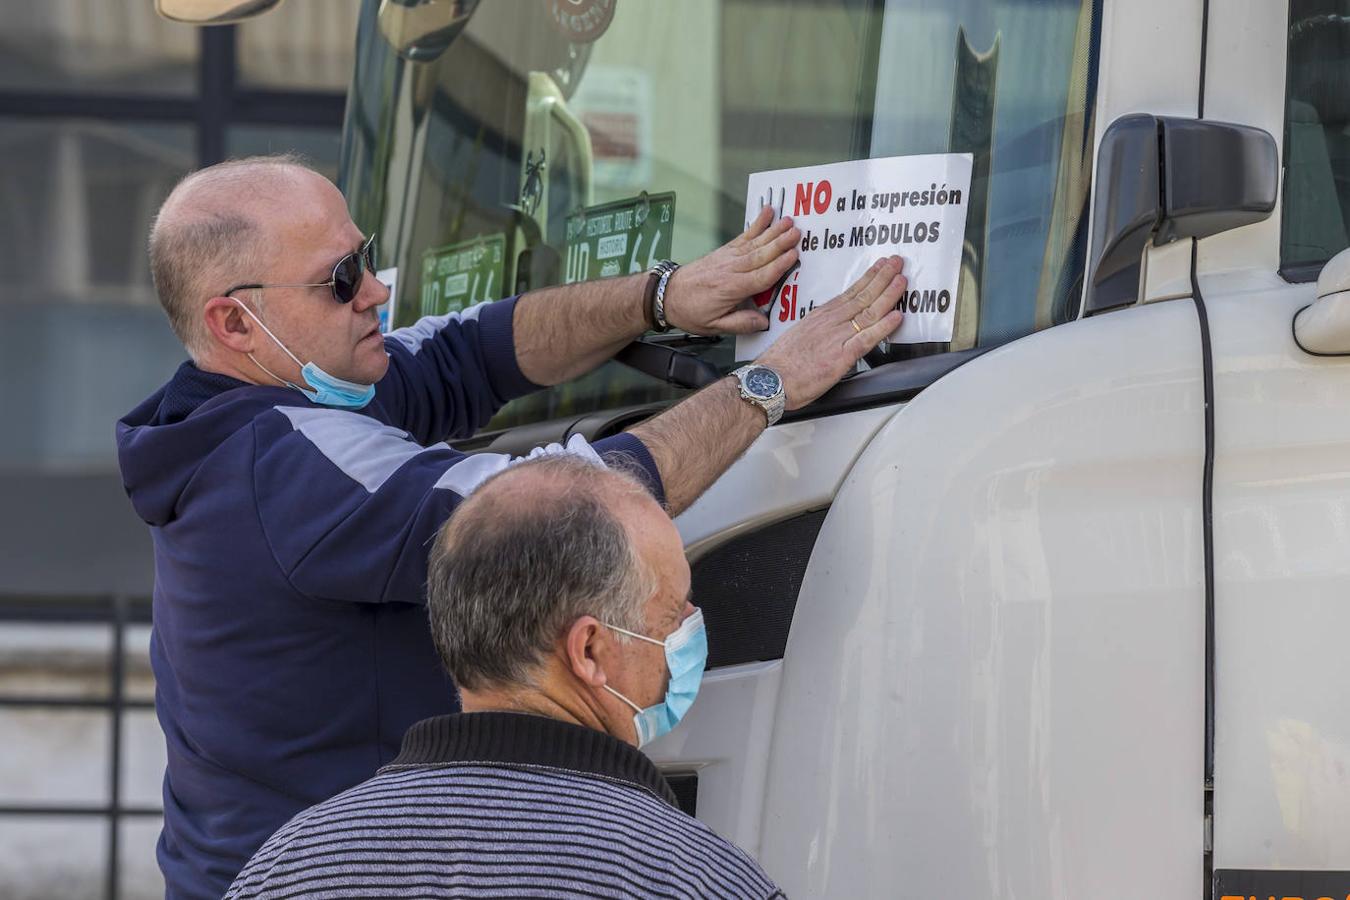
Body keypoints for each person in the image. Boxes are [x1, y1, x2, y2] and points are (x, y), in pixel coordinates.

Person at [117, 154, 904, 897]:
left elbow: (476, 348)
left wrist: (661, 297)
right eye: (342, 279)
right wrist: (769, 382)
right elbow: (565, 517)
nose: (377, 293)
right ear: (236, 323)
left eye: (369, 257)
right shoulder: (283, 467)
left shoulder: (294, 397)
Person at [227, 455, 785, 899]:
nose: (688, 628)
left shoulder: (288, 864)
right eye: (673, 612)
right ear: (589, 648)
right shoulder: (697, 880)